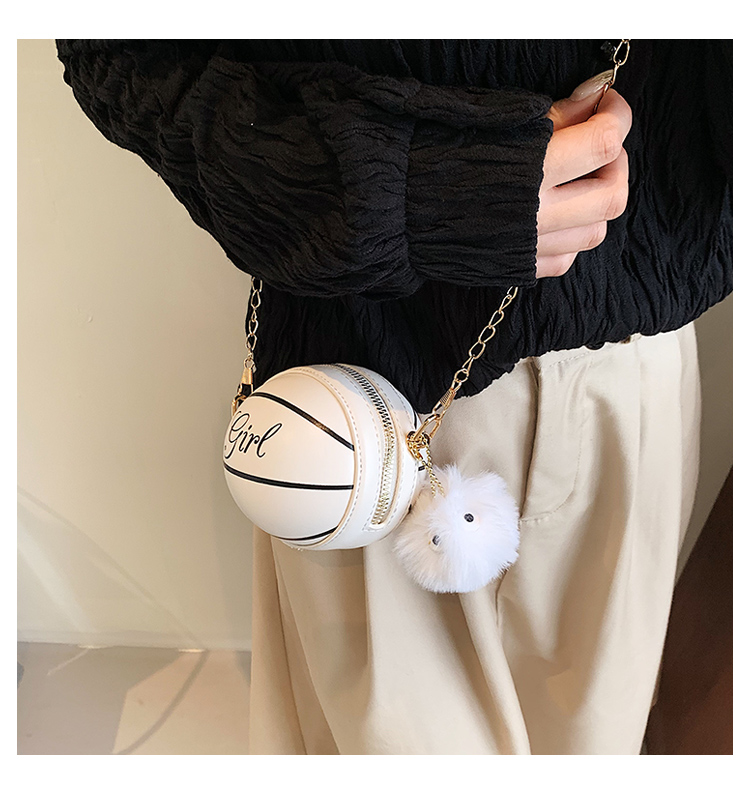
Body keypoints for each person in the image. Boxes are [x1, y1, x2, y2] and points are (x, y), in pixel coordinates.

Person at [55, 39, 732, 754]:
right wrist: (399, 191)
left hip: (631, 361)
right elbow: (117, 49)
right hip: (359, 399)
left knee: (597, 751)